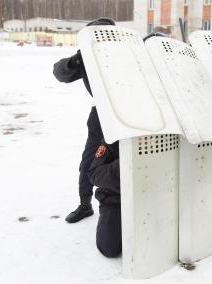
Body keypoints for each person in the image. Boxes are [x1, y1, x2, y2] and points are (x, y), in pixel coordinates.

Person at [52, 17, 116, 223]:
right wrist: (78, 59)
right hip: (100, 117)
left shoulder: (125, 53)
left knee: (126, 161)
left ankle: (122, 204)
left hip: (129, 115)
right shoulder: (87, 58)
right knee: (89, 161)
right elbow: (60, 72)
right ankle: (85, 204)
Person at [88, 141, 122, 257]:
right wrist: (124, 164)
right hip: (116, 199)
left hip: (150, 195)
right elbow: (94, 174)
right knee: (109, 248)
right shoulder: (112, 139)